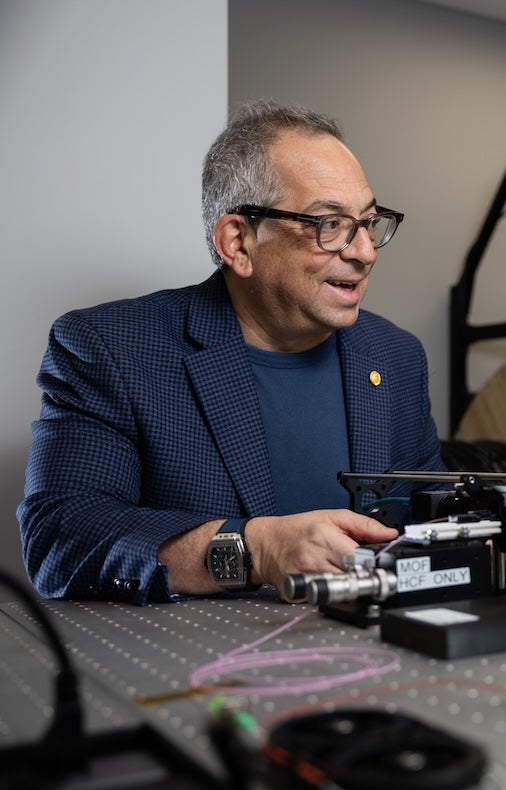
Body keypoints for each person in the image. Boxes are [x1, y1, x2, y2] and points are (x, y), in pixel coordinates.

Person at [19, 101, 444, 604]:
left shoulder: (395, 356)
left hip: (372, 662)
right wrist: (254, 549)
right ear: (238, 242)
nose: (364, 252)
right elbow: (62, 538)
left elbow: (432, 516)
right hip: (202, 670)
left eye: (368, 223)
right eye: (330, 224)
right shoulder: (109, 347)